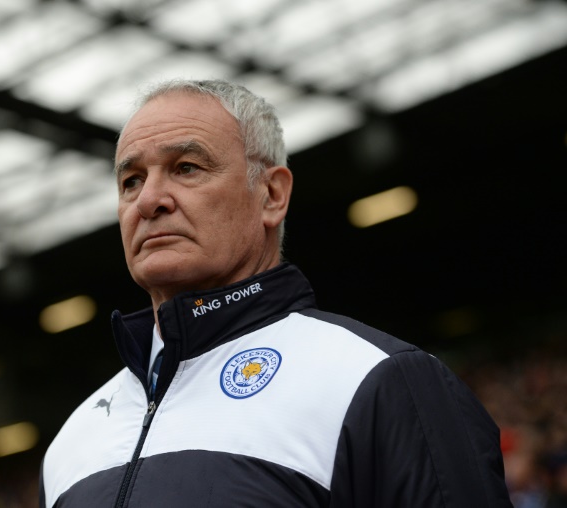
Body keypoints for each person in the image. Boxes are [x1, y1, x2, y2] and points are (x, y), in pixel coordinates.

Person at [39, 79, 512, 507]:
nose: (149, 200)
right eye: (131, 180)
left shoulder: (378, 381)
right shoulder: (70, 442)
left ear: (271, 195)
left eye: (186, 167)